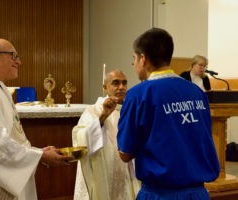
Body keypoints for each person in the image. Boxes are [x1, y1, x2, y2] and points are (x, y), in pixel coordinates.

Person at [0, 38, 74, 200]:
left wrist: (37, 152)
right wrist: (39, 157)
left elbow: (11, 136)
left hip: (2, 176)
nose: (18, 61)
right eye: (13, 56)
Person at [117, 28, 220, 200]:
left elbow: (125, 153)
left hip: (160, 194)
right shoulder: (197, 92)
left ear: (143, 59)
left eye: (134, 59)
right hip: (198, 193)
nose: (134, 64)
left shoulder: (138, 94)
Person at [72, 70, 139, 200]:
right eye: (115, 83)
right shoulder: (92, 111)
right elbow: (81, 141)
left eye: (124, 83)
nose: (121, 87)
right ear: (105, 87)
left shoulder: (131, 111)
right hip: (103, 178)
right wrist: (102, 118)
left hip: (127, 177)